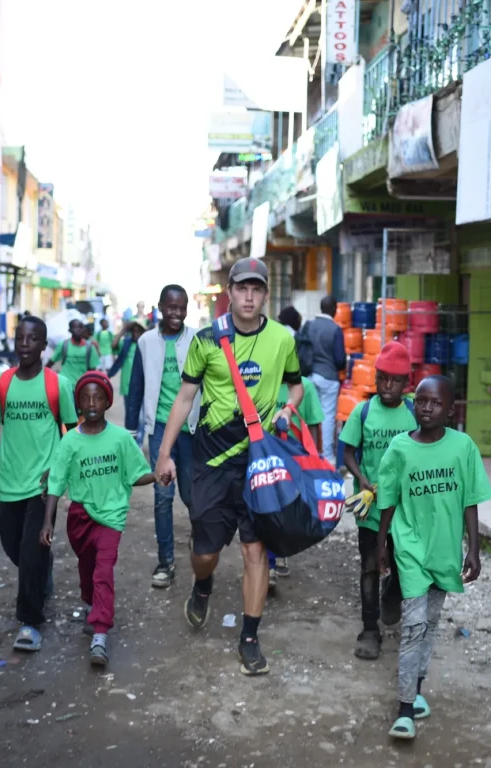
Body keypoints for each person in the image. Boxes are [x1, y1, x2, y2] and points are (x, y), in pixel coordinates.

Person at [156, 257, 302, 677]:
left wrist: (289, 408)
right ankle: (203, 584)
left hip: (258, 462)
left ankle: (250, 636)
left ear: (265, 294)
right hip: (211, 462)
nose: (249, 296)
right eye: (242, 288)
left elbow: (296, 385)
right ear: (230, 293)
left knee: (256, 550)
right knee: (205, 552)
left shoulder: (281, 339)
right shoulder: (207, 340)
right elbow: (185, 399)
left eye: (257, 289)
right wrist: (165, 453)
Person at [375, 375, 491, 740]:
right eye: (421, 401)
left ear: (450, 409)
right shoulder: (399, 448)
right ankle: (405, 708)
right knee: (413, 626)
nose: (426, 408)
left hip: (444, 549)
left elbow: (470, 500)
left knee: (430, 621)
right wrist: (381, 544)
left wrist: (473, 548)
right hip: (410, 548)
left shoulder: (463, 447)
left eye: (435, 402)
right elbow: (388, 500)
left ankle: (418, 688)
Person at [0, 315, 78, 652]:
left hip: (43, 484)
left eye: (33, 339)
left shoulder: (56, 385)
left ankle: (30, 622)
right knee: (13, 545)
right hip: (9, 480)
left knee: (31, 551)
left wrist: (62, 472)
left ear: (44, 345)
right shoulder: (0, 384)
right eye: (20, 338)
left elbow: (72, 431)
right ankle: (39, 572)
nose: (25, 345)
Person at [41, 371, 154, 667]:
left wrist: (158, 476)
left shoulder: (120, 438)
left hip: (111, 516)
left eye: (98, 397)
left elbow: (136, 474)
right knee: (87, 567)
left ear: (107, 402)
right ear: (78, 403)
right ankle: (91, 602)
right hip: (80, 516)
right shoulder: (69, 443)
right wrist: (48, 521)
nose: (92, 403)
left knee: (103, 570)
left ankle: (100, 635)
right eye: (86, 398)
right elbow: (55, 483)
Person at [339, 342, 418, 661]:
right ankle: (369, 630)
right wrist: (360, 476)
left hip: (407, 511)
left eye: (394, 381)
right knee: (370, 566)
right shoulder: (364, 411)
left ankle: (394, 592)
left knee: (402, 563)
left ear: (406, 383)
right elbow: (346, 451)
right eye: (382, 378)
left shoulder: (415, 412)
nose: (387, 386)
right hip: (372, 510)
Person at [125, 285, 199, 589]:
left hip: (192, 431)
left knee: (194, 497)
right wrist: (132, 431)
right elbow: (136, 389)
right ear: (160, 307)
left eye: (181, 308)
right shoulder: (145, 342)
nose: (177, 314)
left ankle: (201, 552)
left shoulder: (196, 339)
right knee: (162, 497)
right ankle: (165, 562)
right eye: (171, 308)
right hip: (158, 433)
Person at [266, 367, 324, 588]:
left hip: (296, 459)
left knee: (288, 507)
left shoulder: (305, 387)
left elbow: (315, 424)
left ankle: (281, 550)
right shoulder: (263, 382)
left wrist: (316, 461)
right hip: (268, 456)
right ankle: (270, 563)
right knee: (269, 507)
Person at [300, 296, 346, 461]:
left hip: (309, 377)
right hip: (328, 378)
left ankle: (308, 453)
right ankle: (326, 457)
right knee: (326, 417)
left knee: (308, 416)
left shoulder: (309, 326)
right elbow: (340, 360)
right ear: (334, 309)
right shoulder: (335, 330)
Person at [108, 318, 148, 448]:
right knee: (131, 416)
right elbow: (114, 345)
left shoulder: (147, 345)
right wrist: (123, 330)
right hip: (127, 387)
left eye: (139, 331)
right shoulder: (126, 343)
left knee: (142, 417)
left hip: (144, 387)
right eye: (133, 331)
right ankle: (131, 442)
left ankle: (139, 444)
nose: (136, 334)